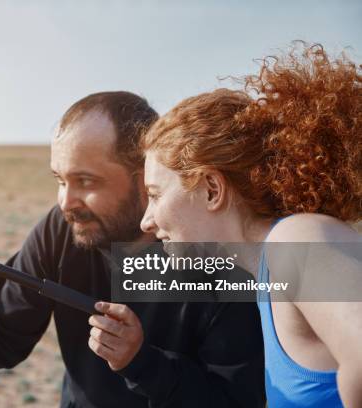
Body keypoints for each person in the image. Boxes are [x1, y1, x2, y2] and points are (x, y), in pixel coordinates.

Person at [0, 91, 266, 407]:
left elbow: (234, 400)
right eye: (60, 180)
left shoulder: (215, 253)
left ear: (144, 177)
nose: (66, 202)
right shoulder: (65, 229)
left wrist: (143, 362)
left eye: (86, 181)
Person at [138, 43, 362, 407]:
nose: (146, 221)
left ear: (212, 189)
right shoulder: (269, 278)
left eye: (155, 194)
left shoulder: (297, 239)